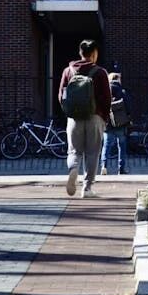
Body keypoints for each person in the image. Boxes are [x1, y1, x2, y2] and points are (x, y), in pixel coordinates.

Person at [59, 39, 112, 198]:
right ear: (94, 53)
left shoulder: (68, 71)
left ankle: (73, 169)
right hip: (95, 116)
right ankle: (87, 188)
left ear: (80, 53)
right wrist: (104, 117)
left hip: (74, 118)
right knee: (92, 153)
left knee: (74, 151)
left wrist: (69, 111)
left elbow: (61, 95)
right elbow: (106, 98)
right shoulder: (100, 72)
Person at [100, 72, 131, 175]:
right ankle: (121, 168)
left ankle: (104, 166)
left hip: (108, 123)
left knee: (106, 146)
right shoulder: (122, 92)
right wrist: (128, 117)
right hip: (121, 123)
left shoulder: (105, 91)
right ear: (118, 79)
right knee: (121, 146)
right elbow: (128, 107)